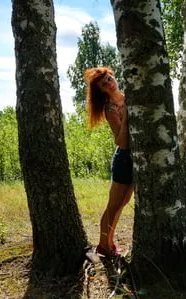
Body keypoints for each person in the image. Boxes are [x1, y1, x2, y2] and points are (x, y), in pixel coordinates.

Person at [84, 67, 134, 257]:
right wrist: (127, 115)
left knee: (123, 203)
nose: (109, 83)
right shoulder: (110, 108)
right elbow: (121, 141)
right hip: (124, 158)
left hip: (137, 158)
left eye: (109, 78)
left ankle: (108, 243)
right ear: (102, 91)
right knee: (114, 204)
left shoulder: (130, 95)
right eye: (104, 84)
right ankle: (103, 245)